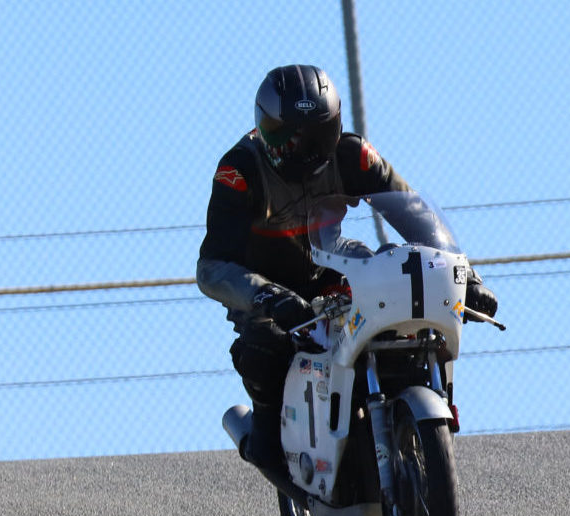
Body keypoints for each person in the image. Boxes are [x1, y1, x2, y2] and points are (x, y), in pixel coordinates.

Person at [197, 64, 497, 476]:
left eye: (313, 137)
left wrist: (468, 278)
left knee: (404, 274)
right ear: (263, 129)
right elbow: (211, 266)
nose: (298, 149)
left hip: (335, 268)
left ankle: (412, 414)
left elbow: (415, 215)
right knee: (265, 346)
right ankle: (266, 434)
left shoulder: (353, 155)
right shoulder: (239, 171)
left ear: (334, 128)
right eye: (284, 136)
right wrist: (263, 295)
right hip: (269, 290)